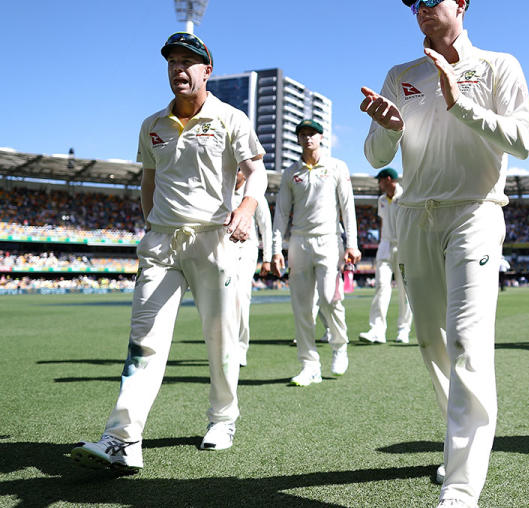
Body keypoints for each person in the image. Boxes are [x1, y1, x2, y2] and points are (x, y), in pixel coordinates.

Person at [360, 0, 529, 506]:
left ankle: (461, 487)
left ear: (459, 5)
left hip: (475, 212)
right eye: (413, 2)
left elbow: (525, 142)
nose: (420, 8)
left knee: (466, 341)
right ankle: (456, 445)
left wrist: (460, 102)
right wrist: (388, 127)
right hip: (415, 216)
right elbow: (375, 158)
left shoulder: (498, 65)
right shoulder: (401, 73)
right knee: (432, 342)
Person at [71, 32, 267, 473]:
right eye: (172, 62)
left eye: (188, 62)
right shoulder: (153, 125)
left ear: (206, 70)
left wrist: (247, 207)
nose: (179, 69)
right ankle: (123, 439)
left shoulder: (231, 118)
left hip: (212, 242)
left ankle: (222, 418)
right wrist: (151, 222)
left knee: (221, 338)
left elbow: (256, 172)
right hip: (161, 244)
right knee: (145, 341)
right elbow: (148, 182)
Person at [271, 119, 360, 386]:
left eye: (312, 134)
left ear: (321, 138)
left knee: (329, 298)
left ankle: (339, 346)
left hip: (329, 240)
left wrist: (352, 244)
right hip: (299, 242)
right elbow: (281, 214)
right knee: (301, 306)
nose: (307, 138)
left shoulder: (336, 167)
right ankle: (309, 364)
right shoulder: (291, 173)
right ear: (297, 139)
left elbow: (348, 207)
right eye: (302, 134)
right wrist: (276, 250)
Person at [359, 167, 413, 344]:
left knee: (405, 290)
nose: (379, 184)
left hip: (404, 247)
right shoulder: (382, 200)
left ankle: (403, 330)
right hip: (385, 247)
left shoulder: (406, 197)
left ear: (388, 179)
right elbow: (383, 223)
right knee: (381, 286)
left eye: (380, 180)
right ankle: (377, 330)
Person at [233, 169, 273, 366]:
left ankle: (240, 348)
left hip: (246, 248)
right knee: (220, 301)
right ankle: (224, 345)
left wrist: (267, 258)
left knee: (241, 296)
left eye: (238, 170)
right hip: (221, 249)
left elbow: (266, 227)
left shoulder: (254, 194)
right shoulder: (219, 190)